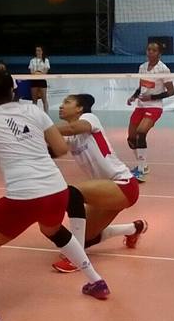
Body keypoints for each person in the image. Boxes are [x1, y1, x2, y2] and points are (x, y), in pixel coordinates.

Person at [0, 70, 110, 321]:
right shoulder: (33, 110)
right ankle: (96, 282)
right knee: (53, 230)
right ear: (14, 91)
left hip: (23, 197)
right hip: (57, 189)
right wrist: (28, 150)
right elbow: (60, 148)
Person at [50, 94, 148, 273]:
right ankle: (133, 228)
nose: (61, 106)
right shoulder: (70, 139)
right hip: (107, 192)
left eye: (67, 102)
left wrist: (43, 127)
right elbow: (53, 149)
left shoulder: (88, 118)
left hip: (123, 184)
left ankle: (76, 259)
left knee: (72, 193)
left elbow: (72, 128)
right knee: (84, 238)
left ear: (79, 108)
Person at [126, 42, 174, 182]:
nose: (150, 52)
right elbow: (141, 87)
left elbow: (171, 92)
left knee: (141, 132)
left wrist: (151, 97)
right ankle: (144, 165)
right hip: (140, 106)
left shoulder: (164, 69)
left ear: (159, 54)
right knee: (131, 139)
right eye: (148, 49)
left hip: (154, 106)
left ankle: (140, 171)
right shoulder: (142, 67)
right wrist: (134, 96)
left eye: (154, 50)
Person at [28, 46, 50, 112]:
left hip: (42, 81)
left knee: (44, 99)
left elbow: (46, 72)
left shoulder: (46, 60)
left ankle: (46, 115)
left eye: (39, 50)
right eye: (37, 50)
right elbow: (31, 72)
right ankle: (34, 116)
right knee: (34, 100)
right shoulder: (32, 60)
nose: (38, 52)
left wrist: (38, 73)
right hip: (34, 81)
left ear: (42, 51)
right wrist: (38, 73)